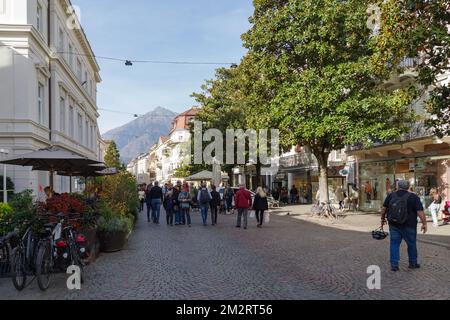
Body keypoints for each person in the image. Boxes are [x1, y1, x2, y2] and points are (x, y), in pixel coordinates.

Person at [381, 180, 427, 272]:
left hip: (394, 225)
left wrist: (382, 219)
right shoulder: (414, 197)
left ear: (398, 186)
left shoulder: (391, 195)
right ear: (408, 187)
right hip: (409, 225)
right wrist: (424, 223)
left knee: (394, 244)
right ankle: (413, 263)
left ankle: (394, 265)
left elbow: (384, 208)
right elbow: (420, 212)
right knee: (411, 244)